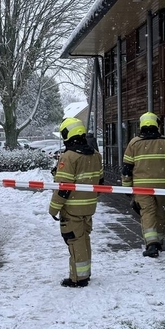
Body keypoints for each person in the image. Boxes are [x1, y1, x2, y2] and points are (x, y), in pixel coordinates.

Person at [121, 112, 165, 258]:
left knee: (147, 213)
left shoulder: (134, 143)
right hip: (164, 188)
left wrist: (126, 187)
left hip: (142, 187)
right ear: (157, 124)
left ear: (141, 125)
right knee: (161, 213)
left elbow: (127, 168)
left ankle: (151, 243)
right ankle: (159, 240)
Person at [49, 118, 103, 287]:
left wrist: (53, 209)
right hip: (89, 206)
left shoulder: (69, 156)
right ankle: (85, 272)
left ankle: (78, 278)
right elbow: (100, 181)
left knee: (74, 240)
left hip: (72, 208)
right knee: (84, 239)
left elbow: (63, 188)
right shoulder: (95, 155)